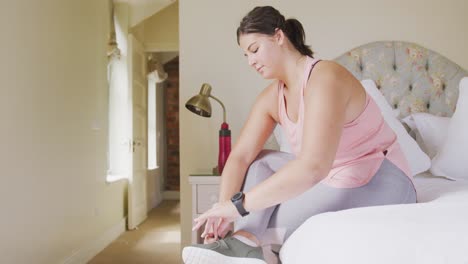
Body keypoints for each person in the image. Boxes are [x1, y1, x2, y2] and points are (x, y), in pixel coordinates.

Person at [182, 6, 416, 264]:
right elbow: (239, 157)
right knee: (259, 161)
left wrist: (239, 207)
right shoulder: (272, 97)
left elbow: (313, 167)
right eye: (245, 55)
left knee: (264, 214)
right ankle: (245, 244)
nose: (250, 61)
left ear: (278, 36)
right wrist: (222, 209)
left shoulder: (325, 77)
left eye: (254, 49)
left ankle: (244, 242)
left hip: (379, 178)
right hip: (331, 177)